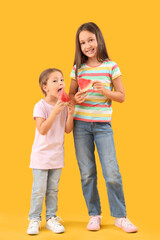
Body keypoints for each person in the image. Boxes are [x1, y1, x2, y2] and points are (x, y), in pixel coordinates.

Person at [69, 22, 137, 233]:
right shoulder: (77, 68)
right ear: (79, 46)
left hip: (102, 126)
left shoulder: (111, 66)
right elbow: (70, 96)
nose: (87, 45)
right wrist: (77, 98)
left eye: (91, 40)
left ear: (99, 40)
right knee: (87, 172)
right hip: (80, 126)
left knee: (112, 171)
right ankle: (94, 214)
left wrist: (105, 92)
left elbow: (122, 96)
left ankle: (120, 216)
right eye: (83, 42)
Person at [27, 68, 74, 235]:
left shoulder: (63, 105)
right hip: (41, 156)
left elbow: (68, 130)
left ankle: (51, 218)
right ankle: (34, 219)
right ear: (44, 87)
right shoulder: (40, 106)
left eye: (61, 80)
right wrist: (56, 111)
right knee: (39, 189)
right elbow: (42, 129)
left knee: (53, 189)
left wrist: (70, 112)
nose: (60, 83)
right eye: (55, 80)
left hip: (57, 155)